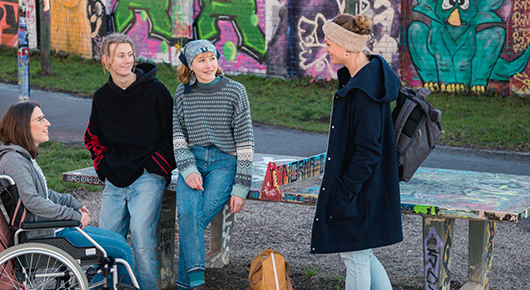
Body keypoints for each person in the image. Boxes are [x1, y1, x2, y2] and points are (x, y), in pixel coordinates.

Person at [310, 14, 403, 289]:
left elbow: (368, 149)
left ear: (346, 47)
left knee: (355, 257)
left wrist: (347, 188)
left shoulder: (364, 90)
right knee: (361, 252)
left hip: (360, 188)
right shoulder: (365, 79)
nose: (325, 48)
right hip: (364, 186)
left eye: (328, 43)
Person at [0, 102, 135, 286]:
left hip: (53, 229)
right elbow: (34, 201)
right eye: (40, 119)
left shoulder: (21, 157)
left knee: (118, 240)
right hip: (46, 235)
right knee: (121, 250)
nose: (48, 123)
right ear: (22, 125)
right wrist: (74, 216)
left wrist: (73, 203)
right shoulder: (14, 160)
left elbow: (44, 194)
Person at [84, 32, 176, 289]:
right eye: (120, 56)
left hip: (148, 175)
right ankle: (119, 286)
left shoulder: (156, 91)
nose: (127, 60)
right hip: (115, 176)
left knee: (141, 238)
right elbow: (92, 137)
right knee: (107, 241)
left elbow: (176, 134)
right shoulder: (102, 97)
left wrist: (156, 165)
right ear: (106, 61)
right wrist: (103, 165)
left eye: (130, 55)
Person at [173, 39, 254, 290]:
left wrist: (240, 188)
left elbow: (245, 142)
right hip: (193, 161)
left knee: (194, 220)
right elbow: (178, 136)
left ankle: (190, 284)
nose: (208, 65)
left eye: (212, 58)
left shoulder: (235, 91)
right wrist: (187, 169)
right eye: (201, 60)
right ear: (190, 65)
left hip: (224, 163)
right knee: (187, 214)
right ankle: (194, 282)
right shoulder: (182, 92)